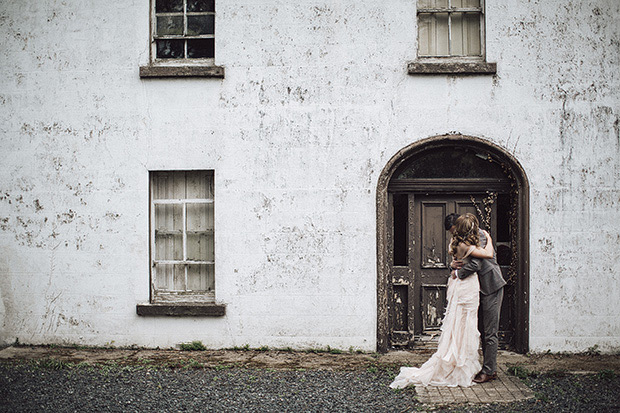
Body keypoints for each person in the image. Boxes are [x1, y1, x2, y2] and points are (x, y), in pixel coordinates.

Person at [390, 214, 494, 388]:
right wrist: (489, 238)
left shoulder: (455, 243)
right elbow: (488, 254)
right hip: (467, 287)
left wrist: (453, 268)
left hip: (457, 284)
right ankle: (461, 365)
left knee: (458, 324)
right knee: (465, 325)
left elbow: (456, 261)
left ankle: (458, 360)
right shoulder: (467, 245)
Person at [448, 213, 506, 384]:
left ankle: (489, 370)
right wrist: (452, 266)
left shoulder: (479, 235)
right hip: (476, 289)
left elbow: (476, 263)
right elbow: (461, 259)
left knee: (490, 331)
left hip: (490, 286)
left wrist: (457, 273)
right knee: (478, 329)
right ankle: (486, 366)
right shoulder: (466, 238)